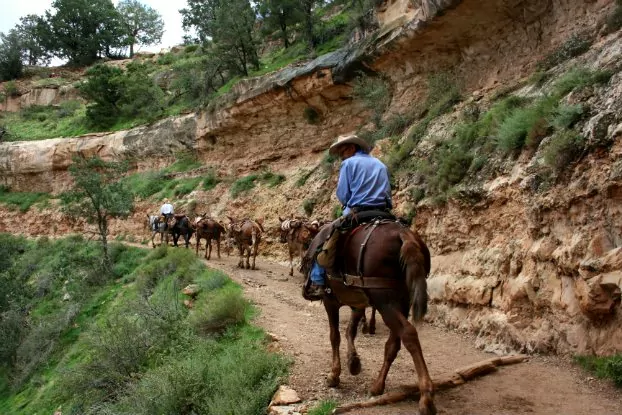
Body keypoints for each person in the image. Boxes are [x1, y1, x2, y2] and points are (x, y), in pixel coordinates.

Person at [305, 133, 393, 300]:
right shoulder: (381, 164)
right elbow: (388, 192)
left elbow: (343, 194)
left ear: (352, 148)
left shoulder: (349, 163)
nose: (341, 157)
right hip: (383, 211)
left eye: (342, 152)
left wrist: (348, 202)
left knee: (324, 239)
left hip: (358, 211)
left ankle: (317, 282)